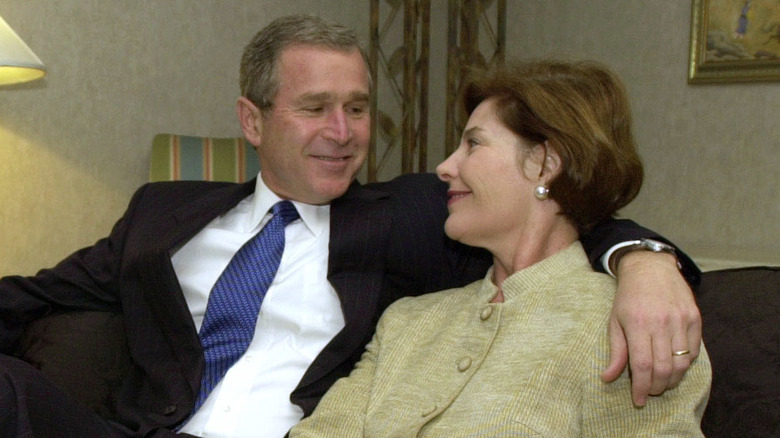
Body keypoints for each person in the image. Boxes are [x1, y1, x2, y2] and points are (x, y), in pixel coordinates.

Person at [0, 15, 701, 438]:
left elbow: (563, 206)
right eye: (315, 108)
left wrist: (644, 260)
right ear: (253, 120)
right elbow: (29, 297)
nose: (343, 133)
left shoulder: (422, 214)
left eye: (359, 108)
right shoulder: (162, 213)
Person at [290, 60, 712, 437]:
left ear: (544, 164)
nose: (444, 166)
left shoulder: (631, 329)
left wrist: (646, 261)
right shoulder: (406, 322)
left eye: (473, 144)